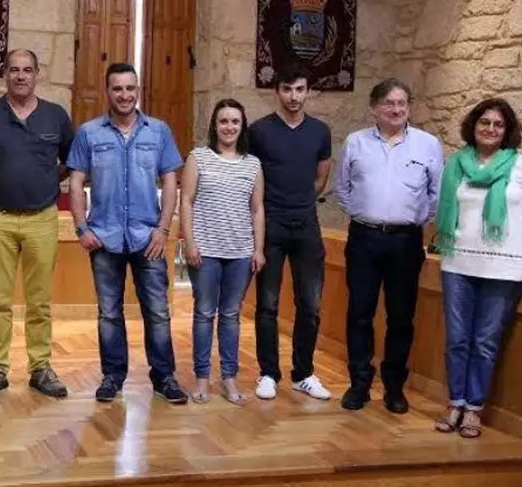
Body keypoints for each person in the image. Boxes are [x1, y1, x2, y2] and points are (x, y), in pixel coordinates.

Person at [67, 63, 187, 404]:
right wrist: (81, 227)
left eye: (130, 88)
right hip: (104, 239)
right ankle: (112, 377)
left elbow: (170, 182)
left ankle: (164, 377)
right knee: (109, 313)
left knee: (158, 312)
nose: (124, 95)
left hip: (148, 239)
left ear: (138, 90)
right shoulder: (89, 133)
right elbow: (75, 181)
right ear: (108, 91)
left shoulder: (158, 131)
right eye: (117, 88)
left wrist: (164, 229)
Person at [432, 98, 522, 439]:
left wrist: (513, 247)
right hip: (458, 263)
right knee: (457, 339)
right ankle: (455, 403)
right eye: (485, 122)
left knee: (484, 341)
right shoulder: (456, 164)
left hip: (503, 270)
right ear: (474, 126)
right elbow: (444, 209)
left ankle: (473, 409)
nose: (491, 129)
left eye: (498, 124)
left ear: (507, 130)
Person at [0, 49, 75, 399]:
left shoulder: (55, 116)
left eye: (27, 70)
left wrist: (48, 180)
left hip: (43, 219)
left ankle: (40, 367)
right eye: (14, 70)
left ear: (37, 74)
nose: (21, 76)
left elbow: (73, 160)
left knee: (40, 301)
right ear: (5, 75)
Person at [333, 79, 443, 414]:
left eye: (401, 103)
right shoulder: (356, 143)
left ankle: (394, 387)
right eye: (389, 103)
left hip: (405, 241)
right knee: (359, 314)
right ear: (374, 108)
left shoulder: (427, 144)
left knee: (401, 317)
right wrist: (364, 213)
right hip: (364, 238)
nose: (396, 110)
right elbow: (342, 188)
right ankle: (359, 383)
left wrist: (411, 219)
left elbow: (435, 194)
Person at [247, 64, 333, 401]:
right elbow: (251, 178)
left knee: (310, 304)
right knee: (267, 304)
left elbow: (320, 177)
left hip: (307, 225)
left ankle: (303, 373)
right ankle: (268, 373)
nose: (293, 96)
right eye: (287, 89)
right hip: (271, 225)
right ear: (277, 91)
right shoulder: (259, 131)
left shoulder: (320, 131)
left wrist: (300, 202)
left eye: (299, 89)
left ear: (308, 91)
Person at [180, 98, 264, 406]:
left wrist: (258, 249)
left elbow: (257, 209)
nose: (229, 127)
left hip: (240, 252)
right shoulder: (198, 158)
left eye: (235, 122)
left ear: (242, 126)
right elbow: (186, 201)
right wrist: (189, 242)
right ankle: (202, 378)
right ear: (215, 125)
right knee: (204, 313)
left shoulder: (253, 164)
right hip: (205, 251)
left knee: (231, 315)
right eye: (224, 121)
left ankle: (229, 378)